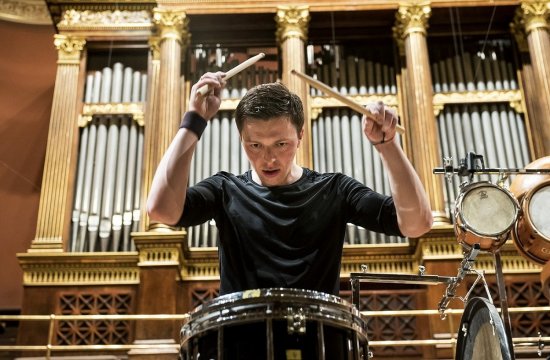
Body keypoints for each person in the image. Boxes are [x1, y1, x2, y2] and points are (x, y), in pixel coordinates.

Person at [147, 71, 433, 296]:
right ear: (241, 140)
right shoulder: (225, 190)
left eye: (280, 143)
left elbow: (417, 224)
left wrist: (388, 146)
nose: (268, 158)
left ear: (300, 136)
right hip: (240, 341)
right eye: (255, 145)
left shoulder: (334, 189)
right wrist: (194, 120)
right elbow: (161, 210)